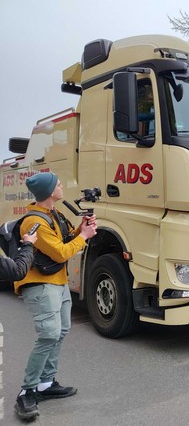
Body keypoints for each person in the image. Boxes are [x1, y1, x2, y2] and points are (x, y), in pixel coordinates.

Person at [14, 172, 97, 422]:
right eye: (58, 184)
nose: (61, 186)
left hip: (58, 283)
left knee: (60, 332)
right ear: (49, 192)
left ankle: (46, 383)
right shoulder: (33, 222)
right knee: (49, 334)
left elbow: (68, 238)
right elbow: (60, 253)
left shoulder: (56, 215)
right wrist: (84, 237)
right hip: (40, 284)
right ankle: (27, 391)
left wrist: (82, 229)